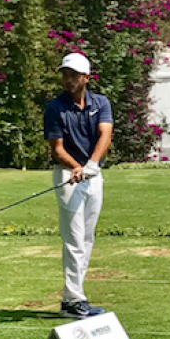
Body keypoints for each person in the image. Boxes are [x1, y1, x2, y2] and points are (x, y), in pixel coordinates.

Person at [43, 53, 113, 318]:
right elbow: (57, 148)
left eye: (74, 75)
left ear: (86, 77)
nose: (69, 80)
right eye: (65, 75)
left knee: (86, 238)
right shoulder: (55, 108)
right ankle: (74, 299)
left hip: (92, 174)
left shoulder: (100, 103)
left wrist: (92, 164)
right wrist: (76, 166)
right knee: (73, 239)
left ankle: (71, 298)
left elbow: (105, 134)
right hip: (67, 176)